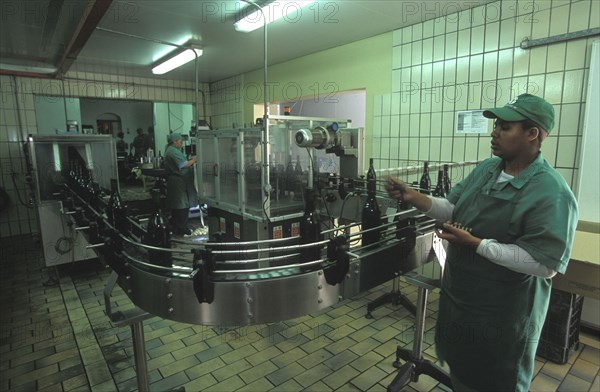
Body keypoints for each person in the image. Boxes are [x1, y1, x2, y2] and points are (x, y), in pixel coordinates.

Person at [386, 94, 578, 391]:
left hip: (503, 317)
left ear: (532, 134)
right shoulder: (488, 169)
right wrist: (417, 198)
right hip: (463, 303)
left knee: (495, 381)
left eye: (505, 127)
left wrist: (477, 244)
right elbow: (453, 209)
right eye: (496, 125)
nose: (494, 132)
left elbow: (544, 264)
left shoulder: (551, 192)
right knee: (463, 375)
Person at [164, 132, 198, 236]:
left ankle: (177, 228)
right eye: (180, 142)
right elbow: (184, 165)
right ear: (174, 142)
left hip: (178, 181)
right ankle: (182, 229)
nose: (181, 144)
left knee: (178, 206)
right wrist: (195, 159)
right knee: (181, 206)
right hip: (178, 182)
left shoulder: (171, 150)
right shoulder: (173, 151)